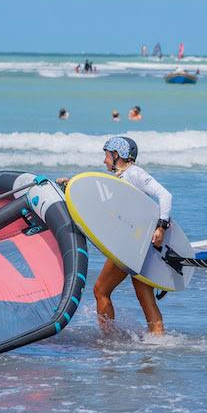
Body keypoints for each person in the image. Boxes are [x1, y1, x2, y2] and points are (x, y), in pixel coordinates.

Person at [57, 137, 172, 335]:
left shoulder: (134, 173)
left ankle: (109, 341)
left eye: (106, 155)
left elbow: (165, 195)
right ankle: (159, 342)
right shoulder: (119, 180)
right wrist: (72, 187)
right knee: (144, 296)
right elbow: (102, 206)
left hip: (130, 247)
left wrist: (161, 227)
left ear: (117, 154)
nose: (104, 160)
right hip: (139, 247)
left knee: (100, 290)